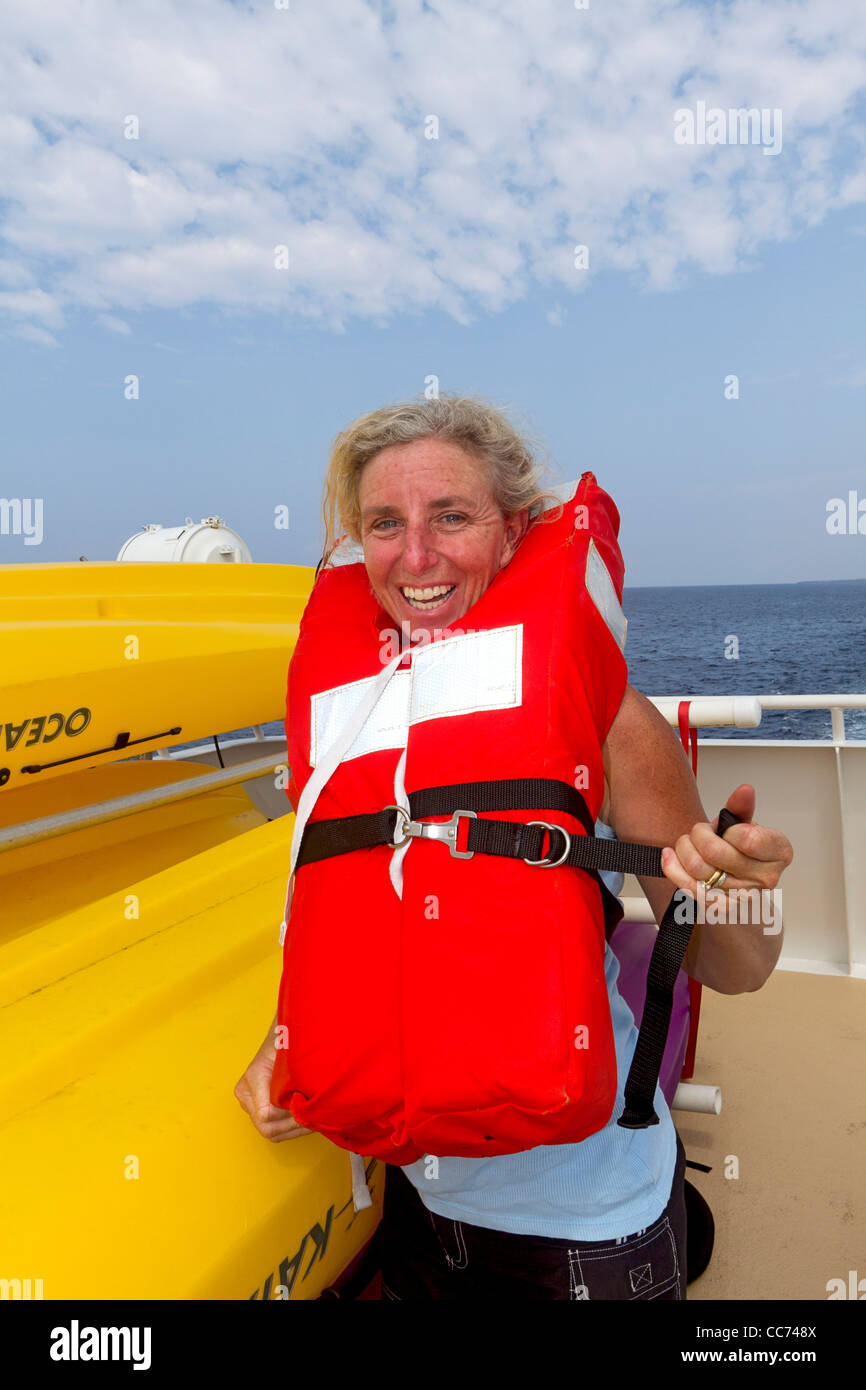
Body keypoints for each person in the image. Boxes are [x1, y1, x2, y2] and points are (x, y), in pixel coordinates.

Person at [234, 395, 793, 1301]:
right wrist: (284, 1043)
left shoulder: (606, 717)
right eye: (386, 524)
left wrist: (741, 895)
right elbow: (348, 915)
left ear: (513, 530)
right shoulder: (347, 728)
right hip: (413, 1204)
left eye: (451, 516)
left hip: (584, 1227)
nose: (416, 557)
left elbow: (738, 968)